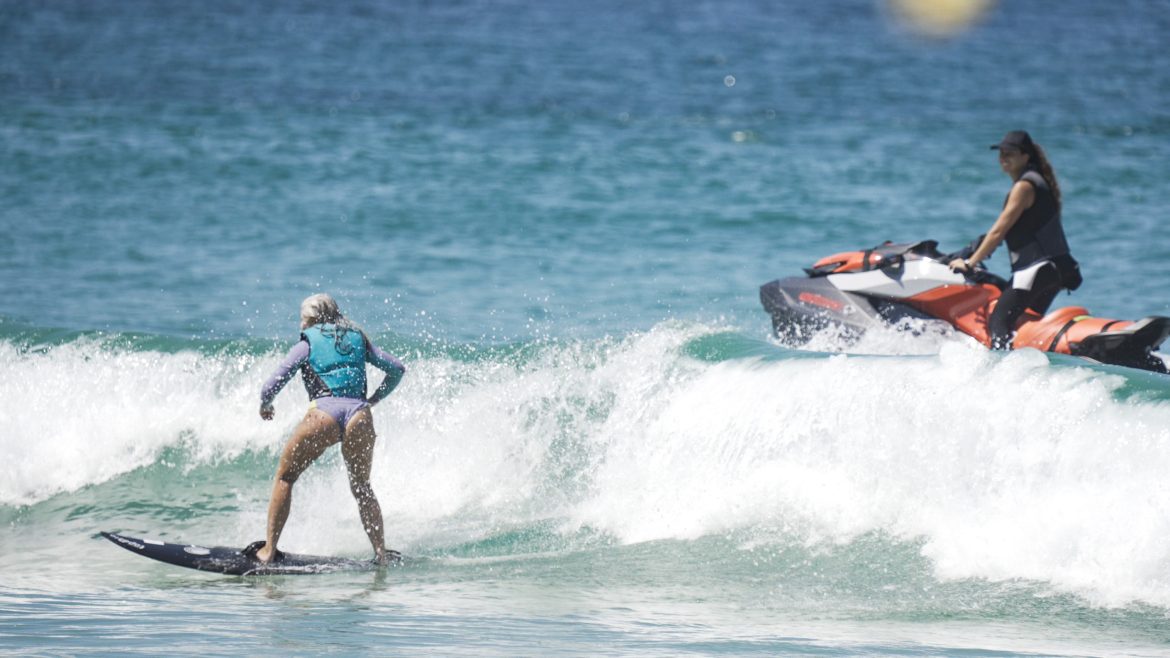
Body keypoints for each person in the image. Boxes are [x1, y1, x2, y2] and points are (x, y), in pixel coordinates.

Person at [252, 293, 406, 565]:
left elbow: (272, 384)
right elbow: (396, 369)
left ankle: (269, 550)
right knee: (362, 486)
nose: (301, 325)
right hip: (360, 415)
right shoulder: (358, 337)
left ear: (312, 319)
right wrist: (375, 398)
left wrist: (266, 405)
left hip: (323, 416)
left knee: (285, 478)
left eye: (303, 319)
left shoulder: (307, 341)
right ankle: (381, 553)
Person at [949, 130, 1081, 350]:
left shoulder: (1024, 187)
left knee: (998, 323)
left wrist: (970, 263)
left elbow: (999, 230)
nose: (1003, 158)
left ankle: (1003, 371)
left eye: (1009, 153)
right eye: (1000, 153)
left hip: (1036, 269)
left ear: (1025, 156)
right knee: (1025, 325)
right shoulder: (1038, 183)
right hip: (1056, 270)